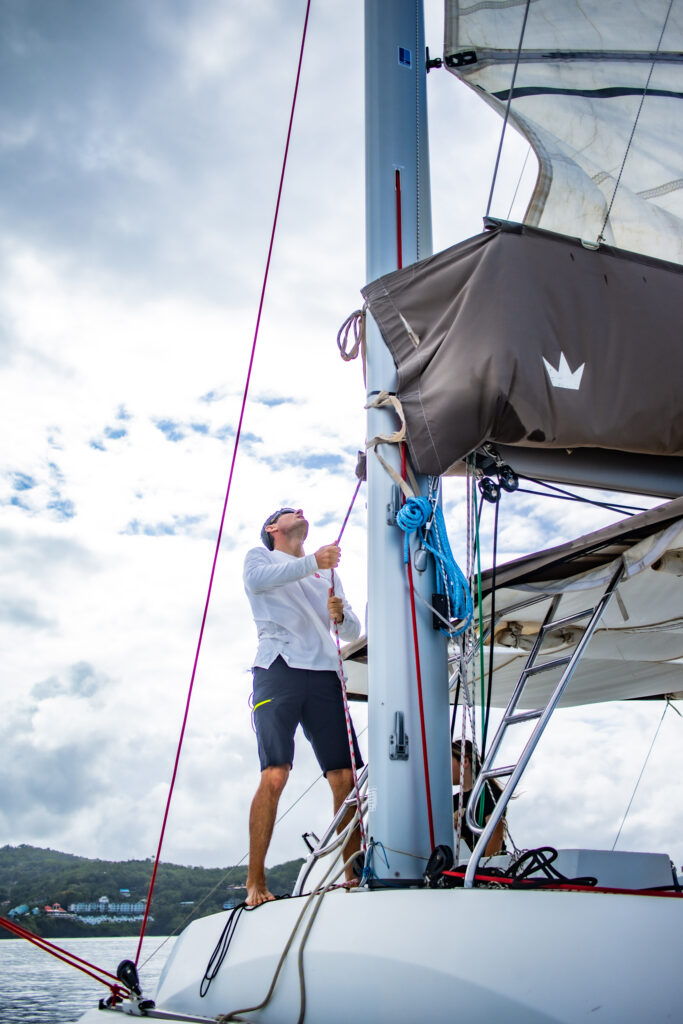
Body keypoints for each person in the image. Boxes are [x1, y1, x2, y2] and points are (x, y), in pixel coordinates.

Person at [243, 506, 363, 907]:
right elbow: (257, 582)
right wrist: (314, 561)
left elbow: (352, 631)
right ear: (272, 528)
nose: (299, 511)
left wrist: (341, 616)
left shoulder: (326, 572)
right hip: (278, 668)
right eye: (287, 511)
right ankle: (255, 882)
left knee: (345, 778)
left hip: (325, 673)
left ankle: (354, 875)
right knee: (276, 773)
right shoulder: (260, 558)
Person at [452, 739, 506, 857]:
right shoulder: (453, 801)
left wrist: (485, 865)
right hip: (461, 864)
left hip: (485, 865)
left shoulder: (488, 793)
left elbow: (496, 832)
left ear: (465, 762)